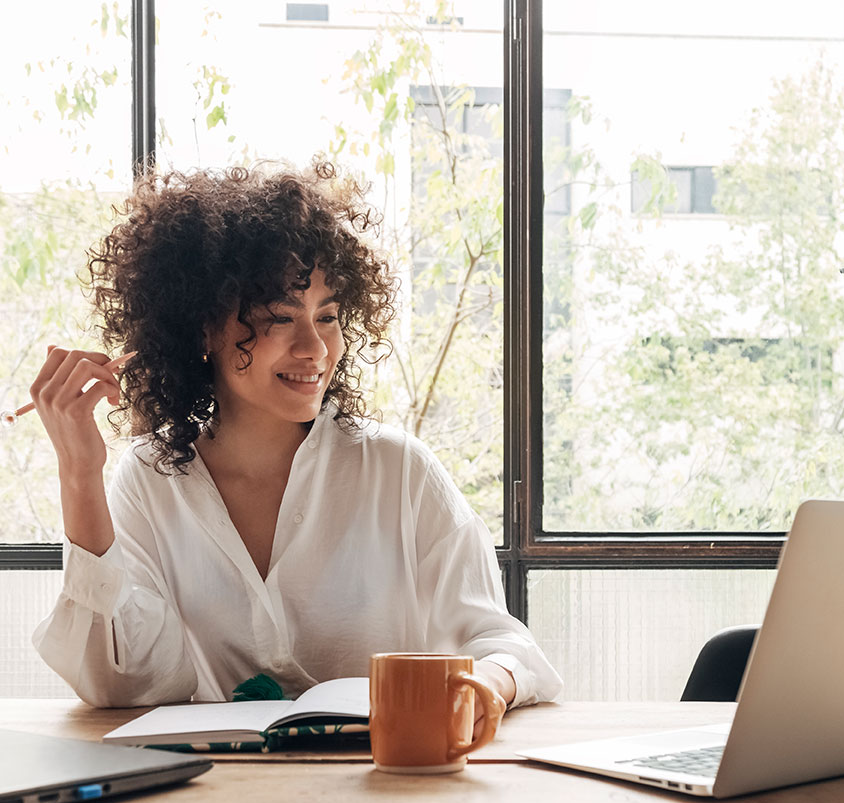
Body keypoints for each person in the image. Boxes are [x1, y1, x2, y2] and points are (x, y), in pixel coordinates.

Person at [30, 161, 563, 720]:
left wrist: (486, 686)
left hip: (385, 791)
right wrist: (78, 473)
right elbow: (120, 682)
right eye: (280, 318)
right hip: (220, 796)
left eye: (327, 317)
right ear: (203, 328)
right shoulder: (149, 478)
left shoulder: (397, 471)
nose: (314, 348)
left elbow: (502, 644)